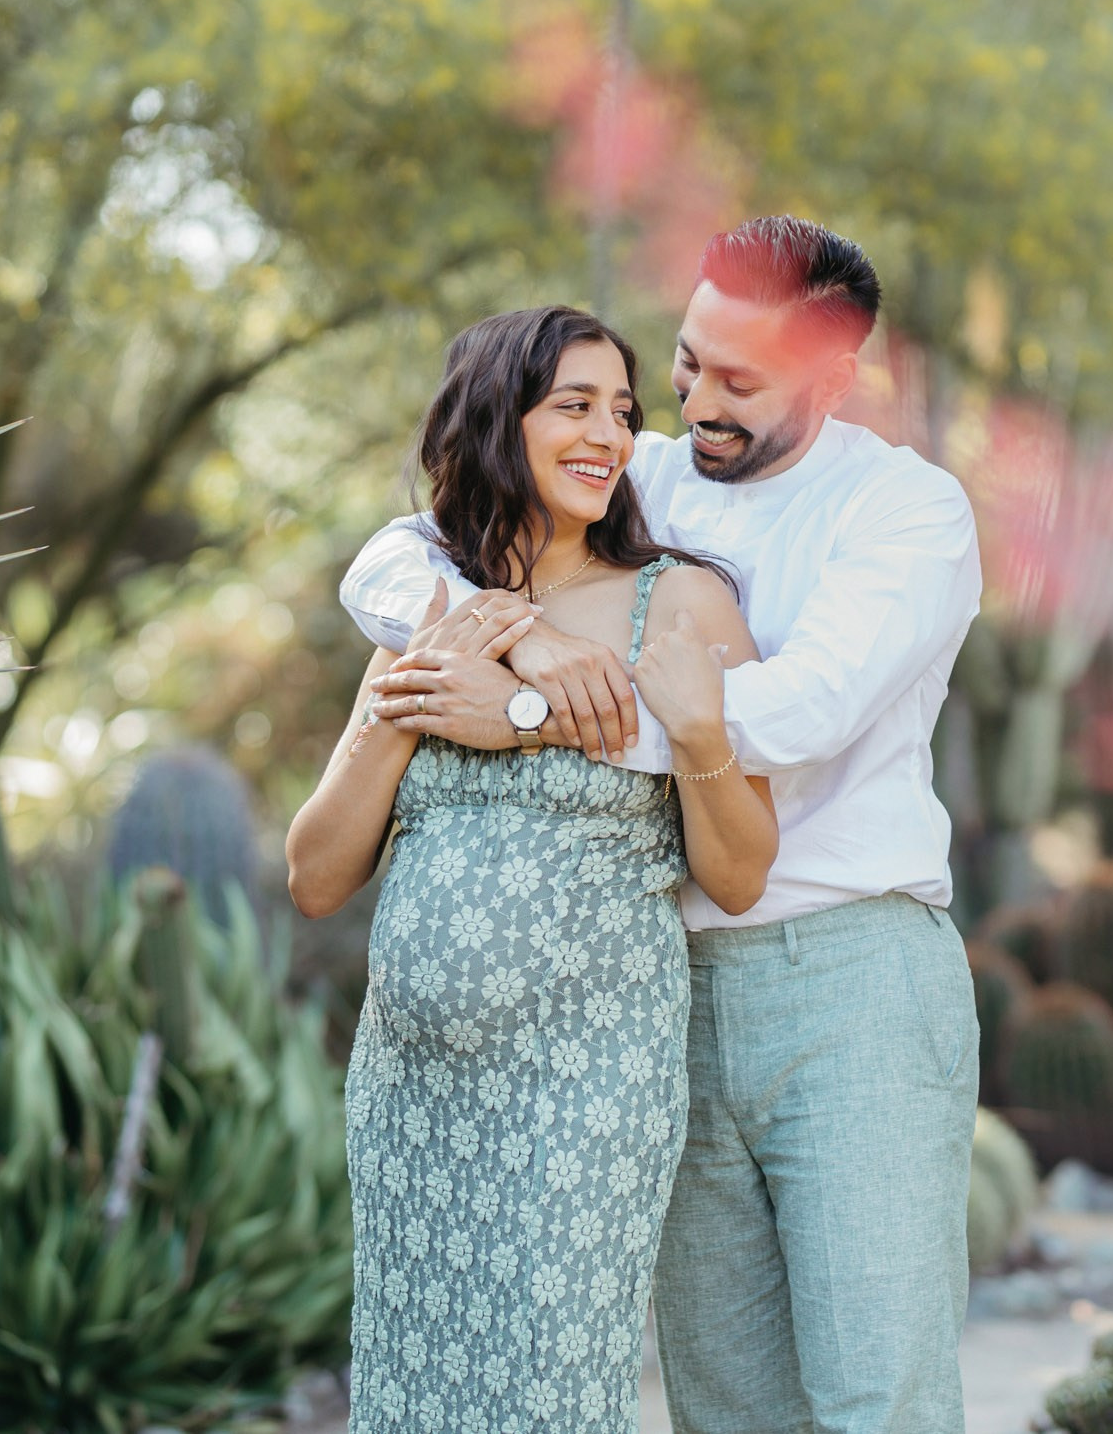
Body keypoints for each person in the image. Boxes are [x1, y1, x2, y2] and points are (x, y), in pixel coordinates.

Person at [338, 217, 984, 1434]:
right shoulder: (646, 469)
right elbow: (389, 559)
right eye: (688, 362)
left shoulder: (907, 511)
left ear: (834, 380)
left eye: (740, 381)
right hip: (658, 999)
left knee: (877, 1391)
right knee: (724, 1401)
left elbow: (797, 711)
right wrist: (513, 628)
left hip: (850, 981)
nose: (695, 401)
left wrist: (526, 710)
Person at [285, 304, 779, 1434]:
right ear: (496, 418)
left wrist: (699, 740)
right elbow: (316, 875)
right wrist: (407, 699)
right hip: (412, 1091)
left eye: (622, 409)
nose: (610, 431)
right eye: (575, 404)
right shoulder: (426, 611)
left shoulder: (680, 602)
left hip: (588, 1087)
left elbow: (741, 873)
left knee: (549, 1393)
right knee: (413, 1397)